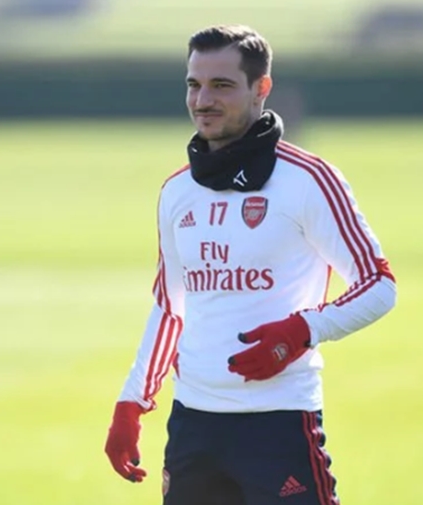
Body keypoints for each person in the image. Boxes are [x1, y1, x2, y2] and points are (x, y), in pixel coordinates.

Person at [104, 24, 397, 505]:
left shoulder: (309, 179)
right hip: (193, 425)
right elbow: (170, 308)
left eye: (222, 85)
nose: (203, 100)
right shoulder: (177, 191)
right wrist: (133, 399)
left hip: (278, 422)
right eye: (194, 85)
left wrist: (302, 330)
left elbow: (379, 285)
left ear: (261, 88)